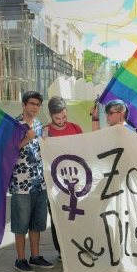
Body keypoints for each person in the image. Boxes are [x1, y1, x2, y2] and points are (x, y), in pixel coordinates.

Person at [10, 91, 54, 272]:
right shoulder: (14, 124)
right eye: (32, 104)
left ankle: (35, 257)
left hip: (39, 183)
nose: (35, 107)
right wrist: (27, 138)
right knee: (21, 225)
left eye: (38, 104)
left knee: (37, 223)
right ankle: (20, 259)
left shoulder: (38, 124)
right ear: (24, 104)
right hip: (21, 184)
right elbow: (7, 151)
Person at [44, 96, 83, 261]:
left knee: (76, 216)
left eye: (64, 117)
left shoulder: (75, 128)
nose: (61, 121)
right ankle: (61, 250)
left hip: (75, 180)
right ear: (51, 116)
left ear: (67, 112)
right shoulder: (45, 131)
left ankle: (77, 245)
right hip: (54, 182)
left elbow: (85, 150)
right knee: (57, 216)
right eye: (57, 118)